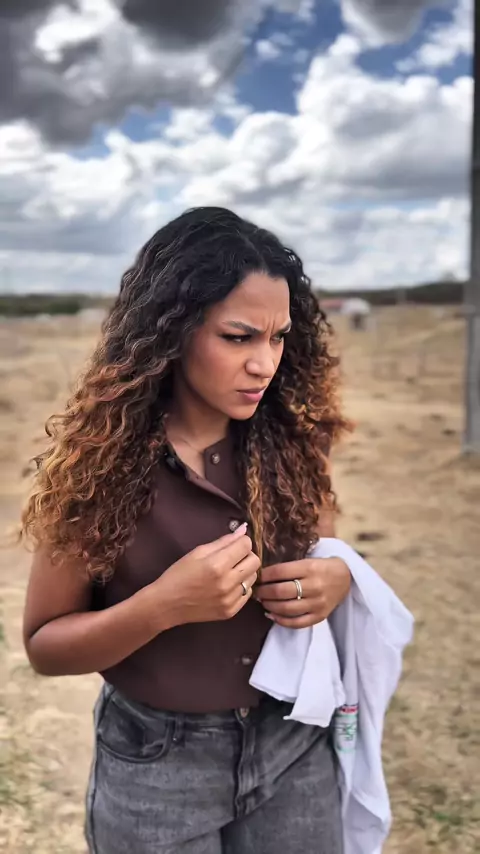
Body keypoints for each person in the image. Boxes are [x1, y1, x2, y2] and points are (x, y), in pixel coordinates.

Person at [21, 206, 352, 854]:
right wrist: (162, 607)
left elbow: (330, 555)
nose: (265, 363)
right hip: (156, 764)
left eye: (278, 338)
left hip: (294, 744)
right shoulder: (98, 465)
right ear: (171, 331)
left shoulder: (296, 441)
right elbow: (45, 648)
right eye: (239, 337)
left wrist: (337, 580)